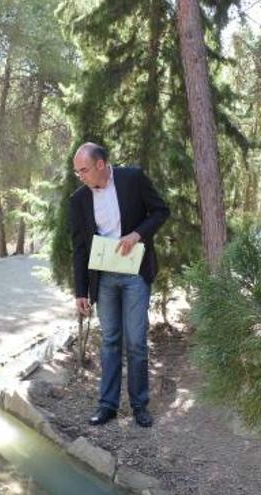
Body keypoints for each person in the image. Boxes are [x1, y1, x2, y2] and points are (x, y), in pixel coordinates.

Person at [69, 142, 170, 427]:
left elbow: (161, 211)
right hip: (103, 278)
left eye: (84, 170)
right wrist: (80, 291)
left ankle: (140, 405)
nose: (81, 177)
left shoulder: (132, 179)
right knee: (110, 341)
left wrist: (137, 234)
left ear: (100, 164)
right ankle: (107, 406)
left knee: (136, 342)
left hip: (135, 272)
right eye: (77, 172)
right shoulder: (78, 199)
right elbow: (79, 248)